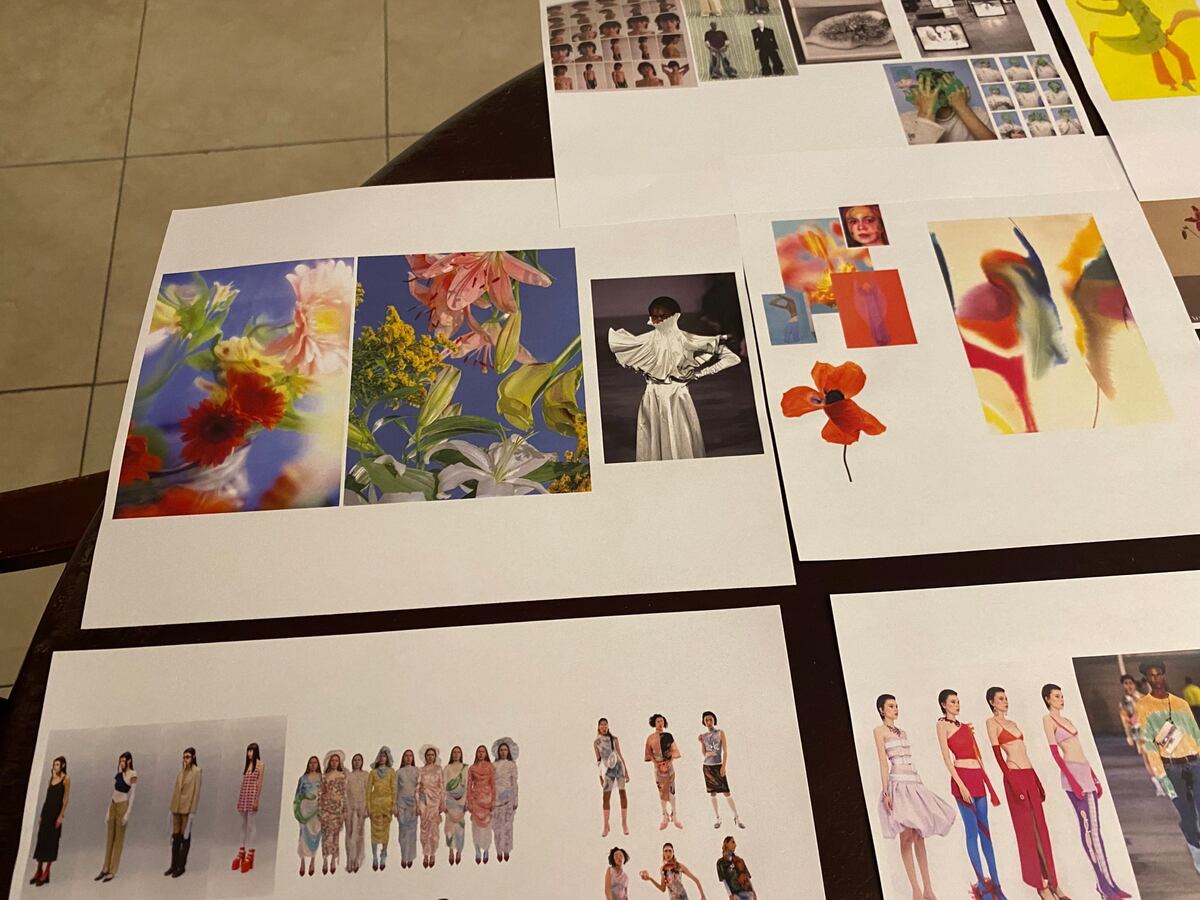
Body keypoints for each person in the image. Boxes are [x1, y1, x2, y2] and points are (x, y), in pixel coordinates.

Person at [608, 297, 741, 462]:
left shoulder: (688, 340)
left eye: (663, 316)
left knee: (680, 436)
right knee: (654, 441)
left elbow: (732, 358)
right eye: (654, 316)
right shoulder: (645, 340)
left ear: (675, 316)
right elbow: (621, 353)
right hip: (652, 396)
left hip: (677, 396)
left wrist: (700, 374)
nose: (658, 320)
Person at [1042, 684, 1130, 899]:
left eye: (1062, 696)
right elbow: (1056, 754)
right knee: (1089, 831)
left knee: (1097, 831)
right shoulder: (1048, 720)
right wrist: (1073, 781)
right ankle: (1104, 886)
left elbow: (1080, 750)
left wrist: (1094, 777)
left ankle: (1110, 884)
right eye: (1056, 696)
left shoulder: (1068, 720)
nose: (1061, 699)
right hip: (1072, 774)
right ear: (1047, 699)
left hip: (1084, 772)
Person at [986, 687, 1067, 900]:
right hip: (1014, 776)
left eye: (1006, 698)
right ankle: (1040, 886)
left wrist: (1037, 781)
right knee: (1026, 832)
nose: (1005, 701)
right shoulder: (992, 723)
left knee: (1042, 830)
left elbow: (1025, 753)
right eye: (1001, 699)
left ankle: (1053, 883)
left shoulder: (1013, 724)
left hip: (1029, 775)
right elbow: (999, 757)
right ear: (992, 702)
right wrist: (1013, 784)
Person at [873, 694, 954, 900]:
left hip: (914, 782)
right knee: (906, 837)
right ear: (882, 710)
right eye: (891, 706)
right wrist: (886, 791)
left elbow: (910, 761)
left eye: (896, 706)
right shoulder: (879, 731)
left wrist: (920, 785)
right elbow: (883, 762)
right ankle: (915, 890)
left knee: (919, 835)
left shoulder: (903, 732)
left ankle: (928, 889)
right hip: (898, 785)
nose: (895, 709)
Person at [936, 690, 1005, 900]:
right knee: (972, 832)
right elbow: (946, 759)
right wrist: (961, 786)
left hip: (977, 779)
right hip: (962, 781)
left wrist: (990, 788)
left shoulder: (966, 727)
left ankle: (997, 886)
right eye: (953, 702)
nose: (957, 705)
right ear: (944, 705)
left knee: (986, 833)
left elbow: (979, 758)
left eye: (958, 701)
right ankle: (982, 888)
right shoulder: (942, 725)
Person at [1136, 659, 1200, 874]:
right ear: (1147, 678)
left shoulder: (1181, 703)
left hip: (1195, 763)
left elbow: (1196, 734)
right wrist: (1161, 776)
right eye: (1151, 675)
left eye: (1159, 674)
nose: (1156, 678)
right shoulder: (1144, 705)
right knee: (1188, 815)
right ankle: (1198, 855)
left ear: (1164, 675)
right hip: (1173, 768)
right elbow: (1149, 743)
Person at [1081, 0, 1200, 92]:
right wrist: (1090, 8)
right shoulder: (1123, 3)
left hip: (1155, 30)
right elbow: (1119, 13)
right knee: (1157, 57)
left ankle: (1184, 80)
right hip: (1148, 33)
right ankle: (1170, 83)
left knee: (1181, 55)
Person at [901, 70, 996, 143]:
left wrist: (962, 107)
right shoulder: (904, 120)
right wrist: (926, 113)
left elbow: (995, 148)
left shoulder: (977, 112)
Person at [93, 751, 136, 883]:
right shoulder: (119, 773)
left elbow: (133, 795)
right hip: (113, 804)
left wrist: (127, 814)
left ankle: (113, 870)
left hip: (123, 806)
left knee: (118, 840)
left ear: (129, 761)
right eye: (120, 761)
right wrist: (108, 810)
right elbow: (114, 791)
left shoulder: (133, 774)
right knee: (109, 838)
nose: (121, 763)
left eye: (123, 761)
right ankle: (105, 867)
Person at [698, 711, 744, 829]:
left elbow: (725, 751)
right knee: (712, 793)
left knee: (726, 792)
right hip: (707, 766)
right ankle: (717, 818)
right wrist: (701, 743)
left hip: (718, 765)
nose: (709, 722)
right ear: (703, 722)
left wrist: (724, 766)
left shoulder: (720, 733)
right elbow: (704, 753)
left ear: (714, 720)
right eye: (706, 720)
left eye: (710, 719)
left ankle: (736, 817)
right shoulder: (703, 736)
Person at [30, 756, 70, 887]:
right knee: (42, 840)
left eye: (57, 764)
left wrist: (61, 816)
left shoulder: (66, 779)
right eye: (54, 764)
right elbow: (47, 798)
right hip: (47, 813)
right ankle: (38, 870)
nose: (55, 767)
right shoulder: (51, 779)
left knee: (51, 841)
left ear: (63, 765)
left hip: (55, 814)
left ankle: (46, 872)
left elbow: (65, 799)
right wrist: (42, 815)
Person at [165, 747, 201, 878]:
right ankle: (173, 865)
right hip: (176, 807)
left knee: (185, 836)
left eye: (188, 757)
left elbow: (196, 792)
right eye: (184, 757)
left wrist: (193, 811)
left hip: (187, 807)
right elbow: (175, 790)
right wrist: (171, 808)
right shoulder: (181, 772)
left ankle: (181, 866)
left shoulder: (197, 771)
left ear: (193, 757)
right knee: (176, 836)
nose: (185, 759)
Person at [645, 713, 683, 829]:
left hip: (669, 767)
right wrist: (657, 764)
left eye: (662, 721)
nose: (660, 723)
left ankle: (674, 815)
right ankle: (664, 815)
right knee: (661, 792)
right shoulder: (650, 738)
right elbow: (649, 753)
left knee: (672, 791)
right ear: (654, 723)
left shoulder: (668, 736)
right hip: (658, 769)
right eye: (658, 721)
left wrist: (669, 762)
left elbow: (674, 750)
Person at [595, 717, 631, 836]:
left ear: (608, 726)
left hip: (618, 767)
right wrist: (600, 776)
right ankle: (606, 824)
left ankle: (624, 823)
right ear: (598, 727)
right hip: (607, 770)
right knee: (606, 797)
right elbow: (598, 760)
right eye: (602, 725)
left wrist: (626, 771)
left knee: (622, 793)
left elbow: (620, 754)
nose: (604, 726)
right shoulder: (597, 742)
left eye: (605, 724)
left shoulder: (614, 739)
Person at [232, 743, 263, 874]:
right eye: (248, 751)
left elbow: (259, 783)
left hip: (252, 795)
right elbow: (244, 782)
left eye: (251, 751)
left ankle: (251, 853)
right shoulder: (248, 765)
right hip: (244, 795)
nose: (249, 753)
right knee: (242, 825)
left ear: (256, 752)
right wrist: (239, 798)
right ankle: (241, 850)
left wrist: (256, 800)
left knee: (251, 826)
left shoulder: (260, 765)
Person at [640, 842, 707, 899]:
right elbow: (662, 889)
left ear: (673, 852)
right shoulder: (663, 869)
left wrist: (703, 895)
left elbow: (696, 880)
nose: (668, 853)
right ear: (663, 853)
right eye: (666, 851)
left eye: (670, 851)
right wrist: (650, 879)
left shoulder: (679, 866)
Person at [366, 746, 396, 870]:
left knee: (385, 832)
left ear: (387, 758)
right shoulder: (372, 773)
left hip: (387, 805)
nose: (382, 758)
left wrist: (393, 805)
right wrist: (368, 806)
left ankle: (383, 854)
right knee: (374, 832)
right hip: (375, 805)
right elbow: (368, 791)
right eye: (381, 756)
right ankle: (374, 856)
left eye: (384, 756)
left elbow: (394, 789)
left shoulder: (391, 772)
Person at [319, 750, 347, 875]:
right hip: (326, 809)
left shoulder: (343, 776)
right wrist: (320, 810)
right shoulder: (324, 776)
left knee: (336, 835)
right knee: (326, 835)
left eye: (337, 761)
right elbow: (320, 793)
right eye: (333, 760)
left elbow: (345, 794)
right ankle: (325, 860)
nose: (334, 763)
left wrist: (344, 809)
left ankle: (333, 861)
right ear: (329, 762)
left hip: (337, 809)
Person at [418, 745, 445, 868]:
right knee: (424, 828)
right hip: (424, 801)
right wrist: (418, 801)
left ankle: (433, 853)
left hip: (435, 802)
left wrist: (442, 802)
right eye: (428, 755)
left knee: (434, 828)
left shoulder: (439, 770)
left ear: (435, 757)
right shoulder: (421, 770)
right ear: (425, 757)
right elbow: (417, 786)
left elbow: (442, 786)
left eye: (432, 755)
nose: (430, 757)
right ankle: (425, 853)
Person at [468, 744, 496, 864]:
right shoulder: (472, 768)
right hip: (476, 799)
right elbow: (469, 786)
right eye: (479, 752)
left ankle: (486, 849)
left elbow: (493, 785)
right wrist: (469, 802)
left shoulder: (490, 767)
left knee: (487, 827)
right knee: (476, 827)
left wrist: (493, 800)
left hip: (487, 800)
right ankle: (477, 849)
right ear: (476, 754)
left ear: (486, 754)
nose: (481, 754)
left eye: (483, 752)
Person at [294, 755, 322, 876]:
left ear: (318, 764)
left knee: (316, 834)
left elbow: (325, 794)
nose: (313, 765)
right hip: (305, 810)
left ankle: (312, 861)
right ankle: (302, 862)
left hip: (317, 810)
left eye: (315, 762)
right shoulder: (303, 778)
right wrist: (297, 811)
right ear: (308, 764)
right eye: (311, 762)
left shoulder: (322, 778)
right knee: (303, 834)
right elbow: (298, 795)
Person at [493, 738, 520, 861]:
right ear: (498, 752)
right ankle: (499, 850)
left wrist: (515, 799)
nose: (503, 752)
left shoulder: (511, 765)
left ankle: (507, 849)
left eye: (505, 750)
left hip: (508, 797)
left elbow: (514, 783)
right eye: (501, 750)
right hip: (496, 799)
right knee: (497, 826)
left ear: (508, 751)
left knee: (508, 826)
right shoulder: (493, 765)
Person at [345, 752, 369, 873]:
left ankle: (358, 861)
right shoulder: (348, 775)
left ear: (362, 762)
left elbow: (368, 792)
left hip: (361, 807)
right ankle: (350, 860)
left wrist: (367, 808)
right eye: (355, 760)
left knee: (359, 834)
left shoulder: (366, 775)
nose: (357, 762)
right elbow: (345, 792)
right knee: (349, 834)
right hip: (349, 808)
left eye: (359, 760)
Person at [444, 746, 468, 865]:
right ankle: (450, 851)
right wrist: (444, 802)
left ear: (461, 754)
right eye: (454, 752)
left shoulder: (465, 768)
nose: (456, 754)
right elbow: (443, 785)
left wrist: (466, 801)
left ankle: (459, 851)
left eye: (458, 752)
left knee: (460, 827)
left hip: (461, 802)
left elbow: (467, 785)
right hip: (449, 801)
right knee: (449, 827)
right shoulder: (447, 768)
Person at [396, 749, 419, 868]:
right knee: (403, 831)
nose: (408, 758)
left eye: (410, 756)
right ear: (403, 758)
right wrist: (395, 806)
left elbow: (419, 788)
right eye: (406, 756)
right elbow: (395, 789)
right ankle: (404, 856)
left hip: (413, 804)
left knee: (412, 831)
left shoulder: (417, 771)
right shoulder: (399, 772)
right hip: (401, 803)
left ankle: (410, 857)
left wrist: (419, 805)